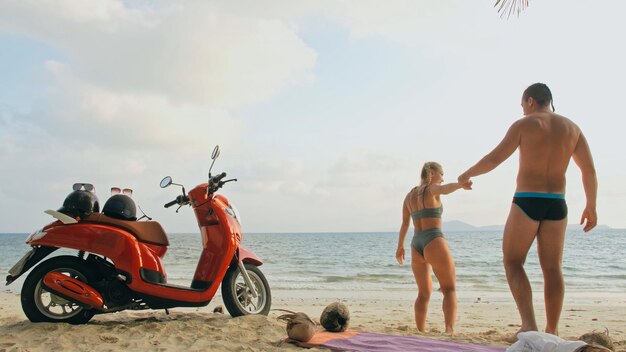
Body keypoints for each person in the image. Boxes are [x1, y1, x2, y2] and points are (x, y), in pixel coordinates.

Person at [457, 83, 598, 336]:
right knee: (553, 268)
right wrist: (591, 205)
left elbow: (494, 158)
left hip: (527, 200)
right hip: (557, 203)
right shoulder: (573, 128)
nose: (522, 110)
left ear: (531, 101)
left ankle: (529, 325)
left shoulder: (524, 125)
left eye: (522, 105)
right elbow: (588, 169)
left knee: (513, 262)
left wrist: (466, 174)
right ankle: (552, 331)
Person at [396, 162, 472, 334]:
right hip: (433, 240)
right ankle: (449, 331)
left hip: (416, 244)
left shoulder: (409, 196)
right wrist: (461, 185)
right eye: (441, 173)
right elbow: (445, 189)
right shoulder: (432, 189)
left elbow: (405, 223)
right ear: (431, 173)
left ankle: (420, 331)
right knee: (449, 289)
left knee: (423, 293)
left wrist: (400, 245)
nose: (443, 178)